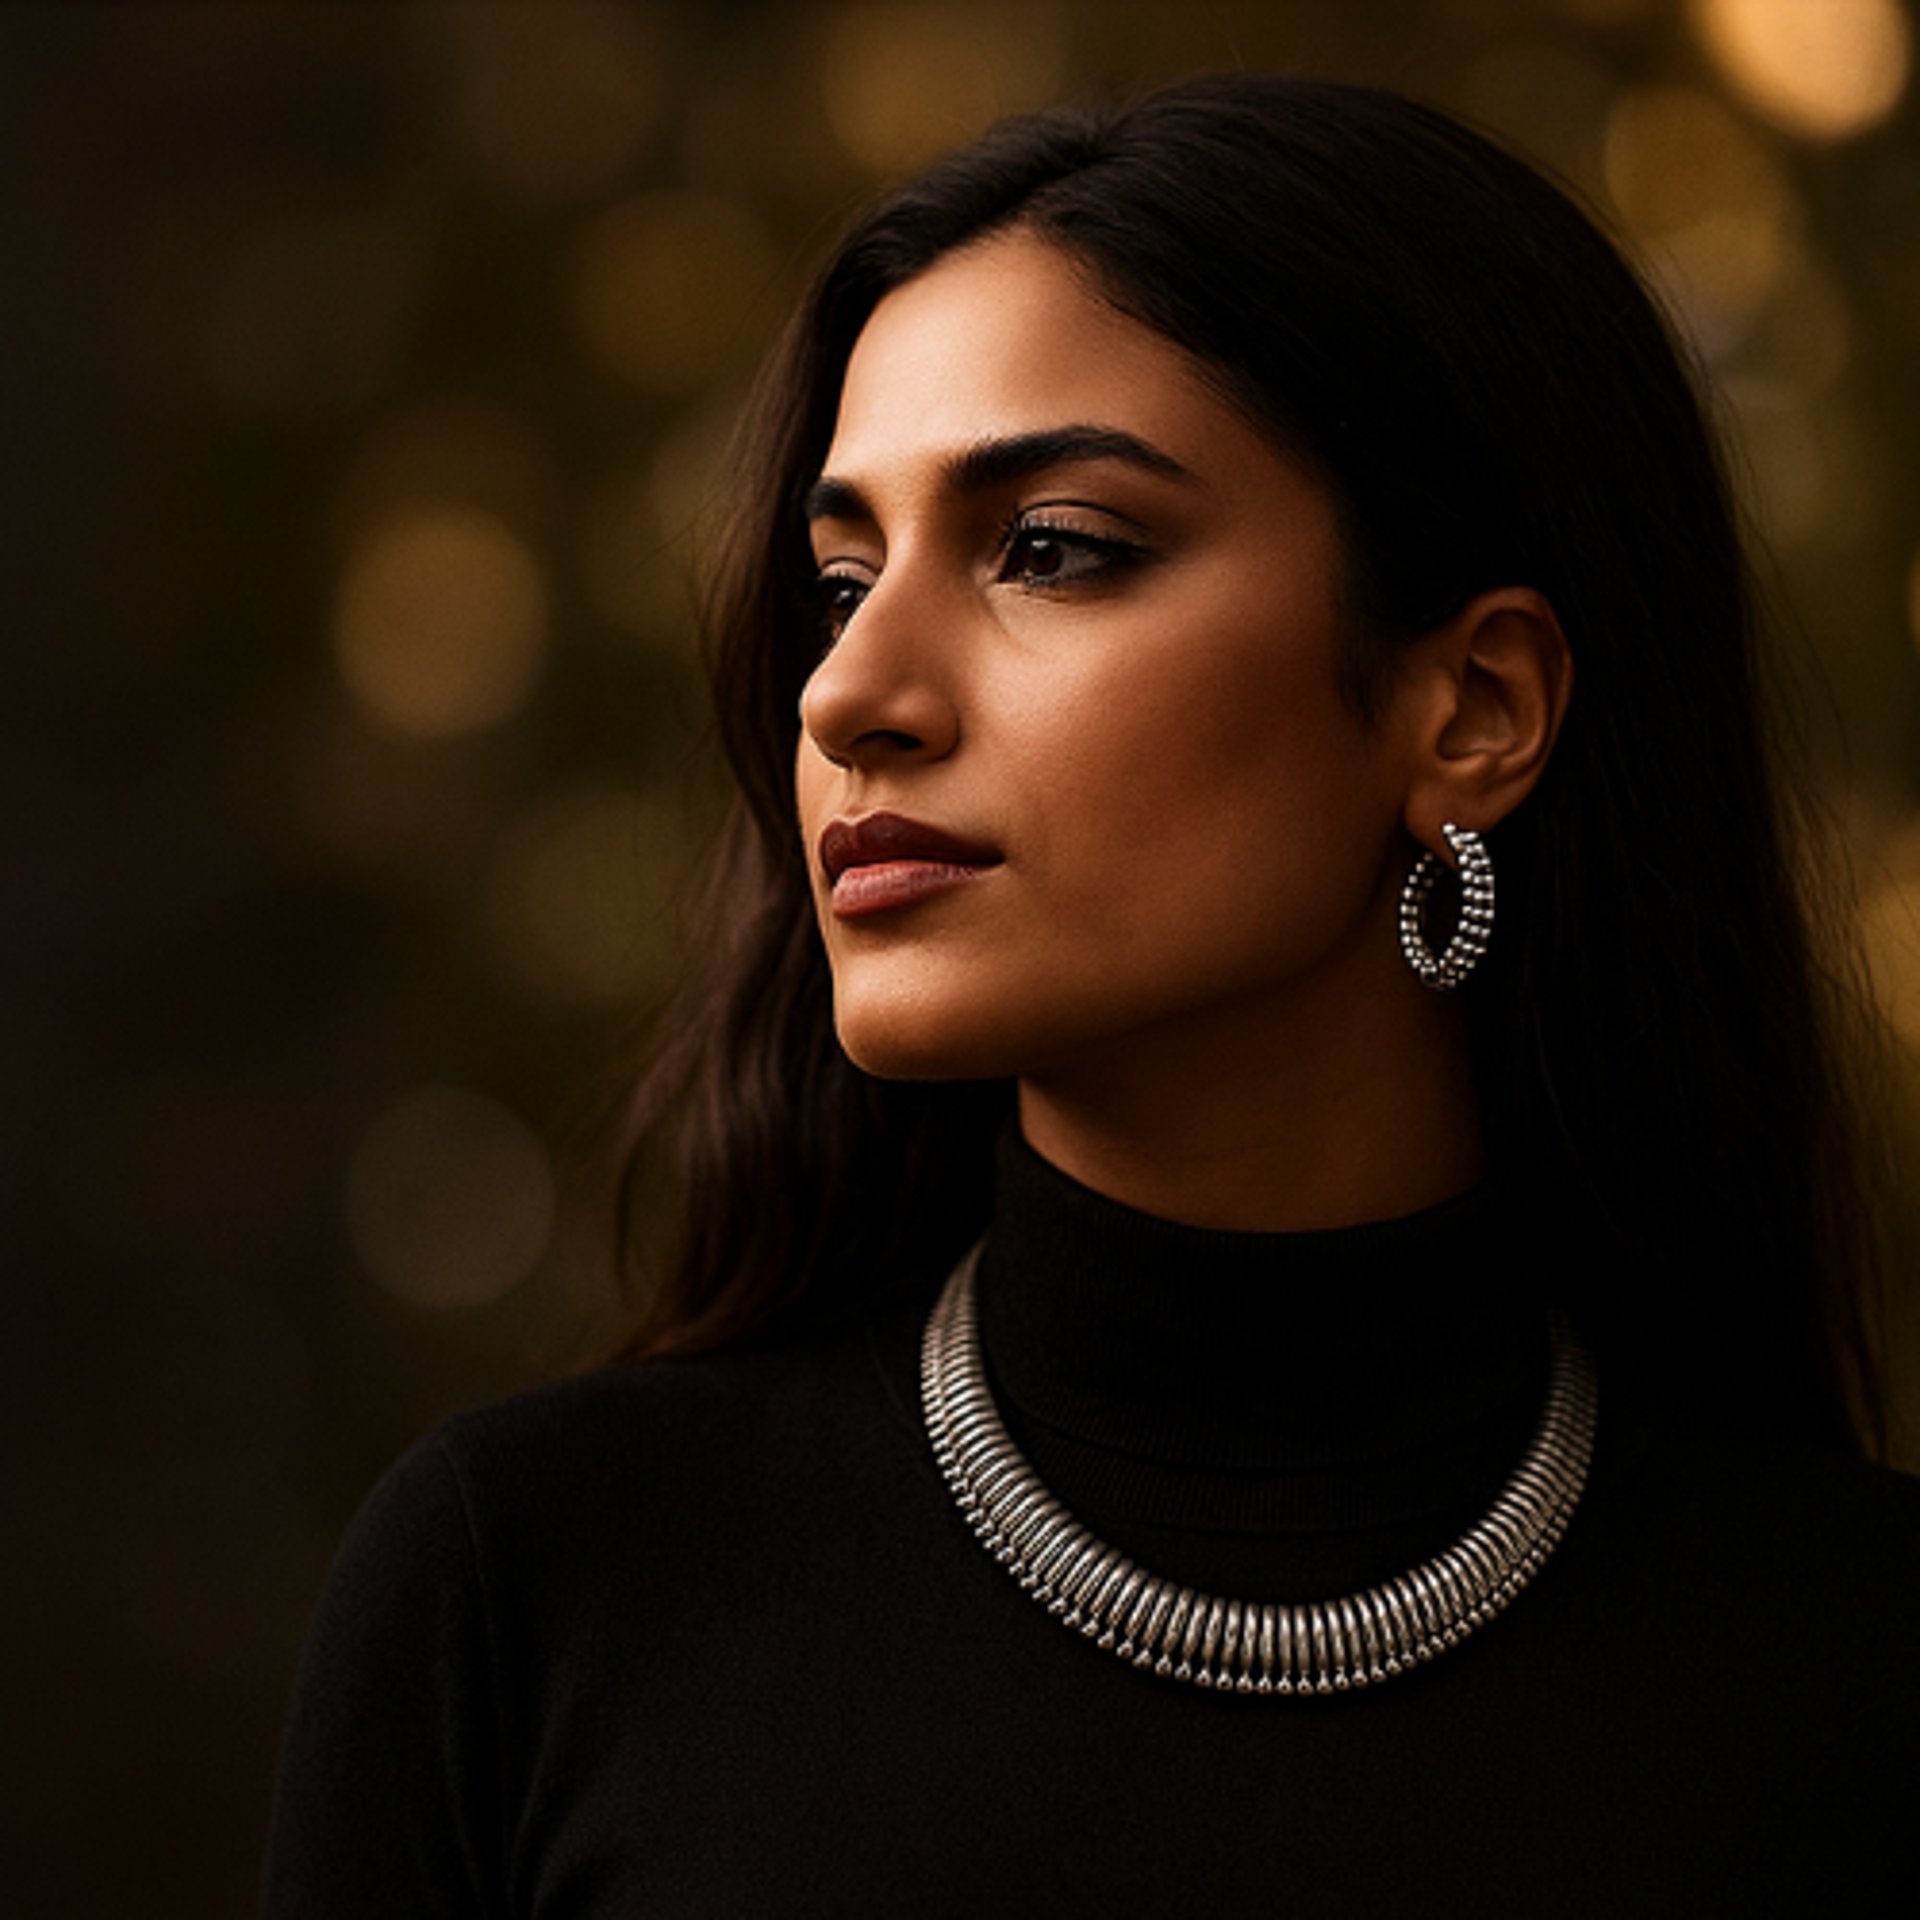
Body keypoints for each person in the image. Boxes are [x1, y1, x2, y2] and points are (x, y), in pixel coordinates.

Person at [264, 73, 1920, 1916]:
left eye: (1049, 548)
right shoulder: (537, 1593)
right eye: (837, 577)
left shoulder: (1870, 1689)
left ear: (1474, 711)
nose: (847, 691)